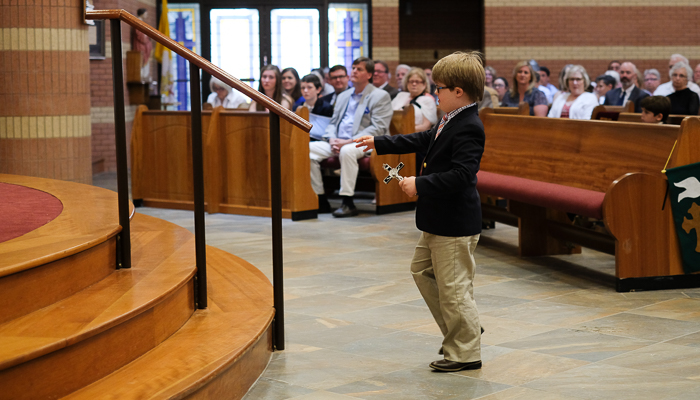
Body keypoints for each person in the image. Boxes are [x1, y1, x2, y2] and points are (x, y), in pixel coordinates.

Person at [354, 50, 485, 373]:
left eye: (438, 87)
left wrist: (420, 184)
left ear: (458, 91)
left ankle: (465, 352)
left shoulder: (469, 126)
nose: (433, 93)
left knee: (454, 288)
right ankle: (465, 326)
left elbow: (462, 175)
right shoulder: (451, 118)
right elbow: (426, 138)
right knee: (422, 271)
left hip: (454, 221)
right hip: (439, 219)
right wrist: (380, 143)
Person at [309, 57, 392, 217]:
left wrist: (347, 142)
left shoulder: (380, 96)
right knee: (308, 150)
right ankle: (320, 198)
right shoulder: (343, 96)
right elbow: (333, 123)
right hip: (338, 142)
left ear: (369, 75)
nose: (354, 71)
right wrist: (332, 139)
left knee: (347, 151)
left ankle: (347, 202)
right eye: (353, 68)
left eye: (359, 69)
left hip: (365, 143)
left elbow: (378, 128)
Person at [132, 8, 152, 81]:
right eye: (146, 13)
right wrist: (146, 37)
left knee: (145, 62)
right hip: (140, 46)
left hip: (145, 46)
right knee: (141, 61)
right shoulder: (138, 21)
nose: (147, 15)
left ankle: (145, 77)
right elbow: (139, 35)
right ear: (142, 13)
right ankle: (141, 77)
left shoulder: (142, 22)